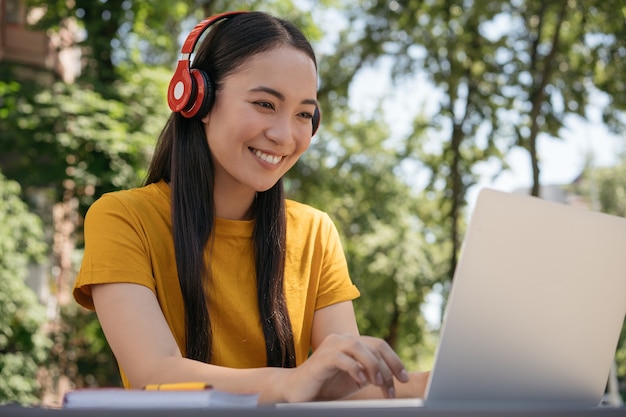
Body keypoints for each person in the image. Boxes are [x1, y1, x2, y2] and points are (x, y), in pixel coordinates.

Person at [72, 10, 429, 404]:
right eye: (264, 104)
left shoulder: (315, 232)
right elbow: (154, 372)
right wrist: (291, 383)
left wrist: (439, 381)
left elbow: (346, 384)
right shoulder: (123, 219)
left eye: (304, 115)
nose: (284, 135)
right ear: (197, 99)